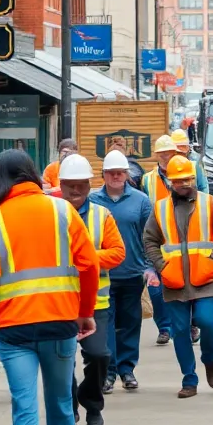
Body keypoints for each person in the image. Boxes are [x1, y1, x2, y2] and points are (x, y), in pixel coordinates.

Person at [0, 149, 99, 425]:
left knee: (24, 407)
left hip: (13, 327)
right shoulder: (63, 211)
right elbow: (89, 266)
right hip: (60, 321)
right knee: (61, 403)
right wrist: (84, 312)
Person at [143, 156, 213, 398]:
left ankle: (210, 358)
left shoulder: (209, 203)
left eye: (188, 179)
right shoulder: (161, 208)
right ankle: (189, 379)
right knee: (180, 330)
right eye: (179, 181)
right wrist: (162, 266)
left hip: (205, 276)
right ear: (171, 182)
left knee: (206, 322)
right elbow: (150, 240)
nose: (185, 184)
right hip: (174, 280)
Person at [57, 154, 125, 425]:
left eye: (81, 185)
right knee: (63, 360)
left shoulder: (101, 215)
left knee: (99, 355)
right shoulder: (50, 214)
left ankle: (92, 401)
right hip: (58, 301)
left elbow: (118, 253)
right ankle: (70, 406)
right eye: (70, 185)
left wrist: (86, 258)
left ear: (89, 185)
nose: (76, 191)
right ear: (60, 184)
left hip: (96, 302)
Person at [91, 150, 158, 392]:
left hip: (132, 273)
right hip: (103, 274)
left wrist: (151, 267)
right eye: (111, 173)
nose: (116, 176)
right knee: (105, 324)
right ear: (104, 175)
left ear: (126, 174)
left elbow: (150, 237)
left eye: (120, 172)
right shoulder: (93, 201)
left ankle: (127, 369)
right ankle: (108, 372)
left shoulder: (141, 201)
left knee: (130, 323)